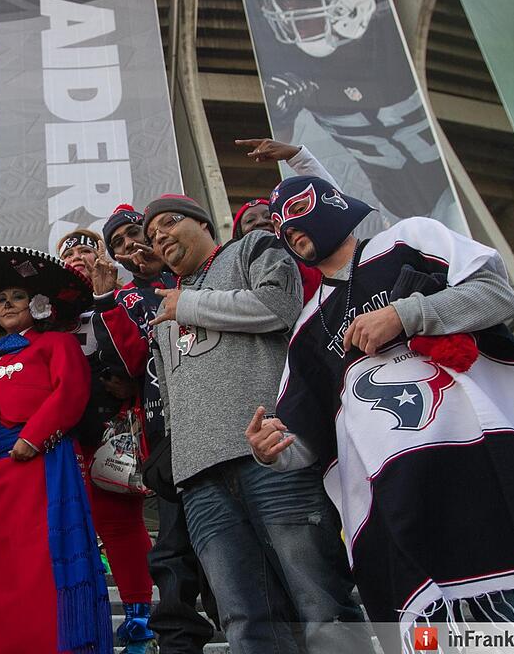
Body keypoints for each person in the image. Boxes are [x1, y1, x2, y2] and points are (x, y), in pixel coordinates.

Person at [248, 174, 514, 651]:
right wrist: (272, 451)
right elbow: (307, 439)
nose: (288, 228)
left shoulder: (408, 240)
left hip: (482, 462)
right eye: (279, 226)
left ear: (333, 202)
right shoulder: (308, 328)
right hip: (396, 498)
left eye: (295, 210)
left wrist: (405, 314)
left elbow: (498, 296)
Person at [144, 194, 372, 654]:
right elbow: (170, 396)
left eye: (169, 222)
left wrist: (189, 305)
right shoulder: (165, 309)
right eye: (152, 235)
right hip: (200, 481)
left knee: (321, 600)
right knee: (245, 618)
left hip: (272, 457)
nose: (160, 236)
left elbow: (278, 306)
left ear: (203, 224)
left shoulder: (252, 248)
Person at [0, 246, 112, 654]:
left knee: (42, 564)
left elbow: (71, 392)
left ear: (37, 304)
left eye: (17, 296)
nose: (7, 304)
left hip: (44, 466)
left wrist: (33, 437)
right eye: (1, 299)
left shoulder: (55, 344)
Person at [249, 0, 458, 227]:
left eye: (302, 6)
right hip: (393, 206)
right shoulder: (295, 64)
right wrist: (282, 115)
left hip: (448, 193)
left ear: (346, 5)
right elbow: (278, 145)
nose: (289, 18)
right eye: (285, 8)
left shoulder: (391, 42)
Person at [92, 205, 220, 654]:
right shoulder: (125, 298)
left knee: (228, 543)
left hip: (221, 426)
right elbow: (128, 362)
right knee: (172, 550)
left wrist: (166, 275)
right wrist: (108, 299)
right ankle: (179, 642)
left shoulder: (199, 274)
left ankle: (243, 624)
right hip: (166, 435)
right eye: (119, 244)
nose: (130, 244)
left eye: (134, 233)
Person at [58, 227, 158, 654]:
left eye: (87, 251)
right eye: (70, 255)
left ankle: (139, 619)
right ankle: (76, 621)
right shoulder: (46, 311)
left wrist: (134, 388)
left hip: (110, 434)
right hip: (61, 438)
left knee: (121, 526)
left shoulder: (123, 299)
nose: (78, 259)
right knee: (63, 529)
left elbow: (142, 358)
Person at [233, 137, 329, 303]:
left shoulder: (311, 253)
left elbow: (331, 202)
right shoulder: (237, 282)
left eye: (269, 217)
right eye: (250, 221)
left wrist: (297, 156)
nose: (261, 222)